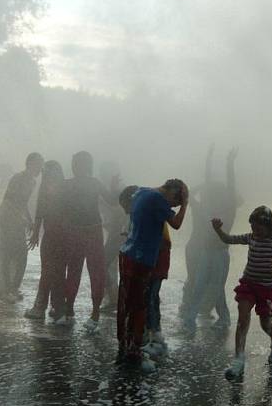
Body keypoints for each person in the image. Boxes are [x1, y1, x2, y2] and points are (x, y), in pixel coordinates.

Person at [117, 179, 188, 372]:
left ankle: (125, 345)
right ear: (172, 191)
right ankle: (135, 352)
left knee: (127, 303)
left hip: (128, 254)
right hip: (142, 259)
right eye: (176, 201)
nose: (173, 206)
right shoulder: (157, 198)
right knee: (140, 306)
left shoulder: (142, 192)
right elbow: (176, 224)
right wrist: (187, 203)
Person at [212, 206, 272, 381]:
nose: (254, 231)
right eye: (252, 227)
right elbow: (228, 239)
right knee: (242, 319)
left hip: (266, 289)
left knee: (266, 325)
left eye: (258, 227)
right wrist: (218, 230)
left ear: (268, 226)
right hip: (248, 284)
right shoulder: (250, 237)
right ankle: (238, 360)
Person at [181, 145, 242, 330]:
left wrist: (228, 163)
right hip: (208, 252)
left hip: (219, 254)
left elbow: (229, 186)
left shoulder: (227, 210)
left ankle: (222, 318)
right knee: (201, 286)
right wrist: (210, 159)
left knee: (216, 289)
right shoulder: (209, 209)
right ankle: (191, 318)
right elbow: (209, 184)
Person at [61, 151, 119, 331]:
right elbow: (111, 201)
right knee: (85, 271)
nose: (76, 166)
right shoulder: (88, 184)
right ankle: (81, 313)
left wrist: (114, 188)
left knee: (85, 271)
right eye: (76, 163)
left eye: (77, 163)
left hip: (84, 230)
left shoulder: (74, 184)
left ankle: (83, 314)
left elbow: (112, 201)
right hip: (85, 230)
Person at [0, 152, 43, 304]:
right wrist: (25, 220)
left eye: (41, 165)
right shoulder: (18, 178)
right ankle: (6, 290)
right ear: (29, 164)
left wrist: (29, 220)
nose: (40, 168)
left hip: (16, 219)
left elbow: (23, 204)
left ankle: (9, 288)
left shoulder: (32, 182)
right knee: (8, 254)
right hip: (6, 218)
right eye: (38, 165)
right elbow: (10, 201)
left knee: (19, 255)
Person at [25, 161, 66, 320]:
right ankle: (58, 307)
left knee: (47, 270)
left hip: (51, 235)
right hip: (65, 235)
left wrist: (36, 232)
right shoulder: (66, 187)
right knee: (60, 271)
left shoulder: (46, 187)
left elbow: (40, 212)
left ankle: (39, 307)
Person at [99, 161, 128, 313]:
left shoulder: (119, 200)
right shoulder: (120, 196)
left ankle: (114, 299)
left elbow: (119, 215)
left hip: (116, 239)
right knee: (109, 267)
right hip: (118, 238)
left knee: (102, 266)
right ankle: (114, 298)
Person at [143, 223, 172, 354]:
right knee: (151, 296)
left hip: (157, 256)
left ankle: (154, 334)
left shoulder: (154, 209)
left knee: (151, 297)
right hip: (155, 255)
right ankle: (154, 332)